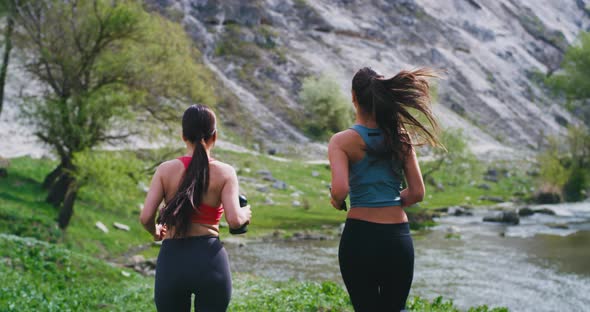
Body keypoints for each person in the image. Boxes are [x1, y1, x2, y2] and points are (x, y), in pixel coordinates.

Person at [329, 67, 441, 311]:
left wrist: (336, 201)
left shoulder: (341, 141)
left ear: (354, 97)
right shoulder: (400, 138)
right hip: (397, 238)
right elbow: (417, 192)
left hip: (360, 237)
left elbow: (340, 190)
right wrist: (389, 201)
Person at [140, 104, 252, 312]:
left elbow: (146, 216)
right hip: (209, 260)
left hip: (172, 260)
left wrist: (155, 231)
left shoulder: (165, 170)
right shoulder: (225, 172)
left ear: (183, 136)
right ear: (214, 137)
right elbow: (235, 220)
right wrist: (244, 213)